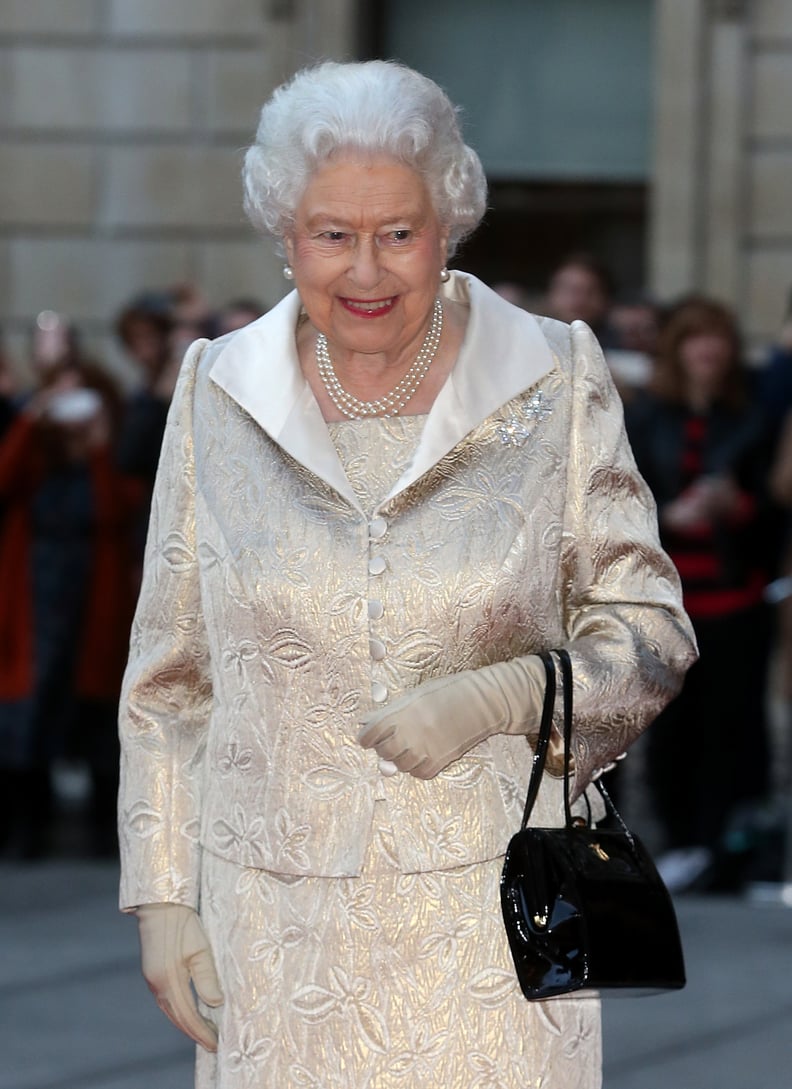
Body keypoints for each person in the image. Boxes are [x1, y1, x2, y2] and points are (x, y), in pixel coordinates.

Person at [118, 60, 696, 1089]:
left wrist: (511, 692)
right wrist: (163, 896)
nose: (366, 269)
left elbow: (650, 630)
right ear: (283, 234)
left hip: (491, 935)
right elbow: (171, 677)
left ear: (450, 223)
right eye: (331, 234)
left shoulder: (550, 375)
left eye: (399, 232)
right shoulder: (216, 388)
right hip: (274, 934)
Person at [625, 297, 776, 892]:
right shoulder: (647, 419)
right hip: (667, 602)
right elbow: (620, 502)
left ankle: (724, 849)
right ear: (678, 349)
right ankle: (683, 842)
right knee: (671, 732)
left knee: (732, 729)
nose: (707, 350)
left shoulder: (753, 416)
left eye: (718, 339)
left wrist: (737, 506)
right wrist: (669, 515)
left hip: (736, 600)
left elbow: (772, 506)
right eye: (696, 339)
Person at [0, 360, 143, 858]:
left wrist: (100, 444)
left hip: (93, 603)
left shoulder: (107, 460)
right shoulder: (37, 457)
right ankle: (27, 828)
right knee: (27, 714)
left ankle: (104, 831)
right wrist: (30, 418)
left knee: (97, 713)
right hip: (34, 602)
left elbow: (113, 510)